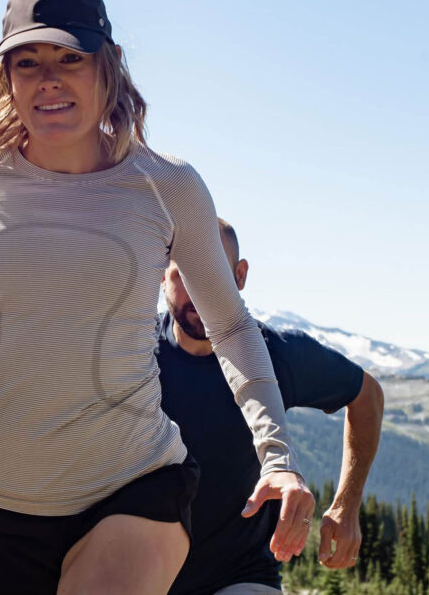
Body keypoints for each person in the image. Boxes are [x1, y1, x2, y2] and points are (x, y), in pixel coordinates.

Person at [0, 0, 312, 595]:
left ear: (109, 67)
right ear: (7, 77)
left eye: (71, 58)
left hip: (133, 484)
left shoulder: (165, 186)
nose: (49, 79)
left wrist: (277, 459)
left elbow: (230, 326)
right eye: (28, 61)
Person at [157, 218, 384, 595]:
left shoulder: (275, 352)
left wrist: (346, 507)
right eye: (183, 273)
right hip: (142, 569)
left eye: (211, 270)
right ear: (161, 277)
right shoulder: (132, 355)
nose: (197, 289)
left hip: (241, 576)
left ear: (240, 275)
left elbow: (366, 395)